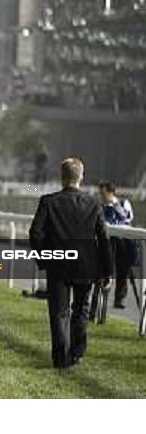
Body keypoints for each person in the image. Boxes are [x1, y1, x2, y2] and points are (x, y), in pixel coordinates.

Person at [29, 158, 113, 370]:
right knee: (81, 310)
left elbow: (35, 233)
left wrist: (45, 258)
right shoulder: (93, 203)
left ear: (62, 177)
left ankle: (61, 360)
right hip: (87, 266)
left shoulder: (48, 201)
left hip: (58, 265)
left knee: (59, 313)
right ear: (81, 177)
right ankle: (77, 352)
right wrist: (108, 271)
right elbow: (104, 239)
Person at [98, 181, 136, 309]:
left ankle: (119, 299)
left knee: (123, 267)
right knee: (106, 267)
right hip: (109, 242)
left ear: (111, 193)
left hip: (123, 242)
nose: (101, 197)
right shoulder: (101, 206)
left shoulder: (124, 203)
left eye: (103, 194)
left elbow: (127, 218)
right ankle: (102, 299)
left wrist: (114, 206)